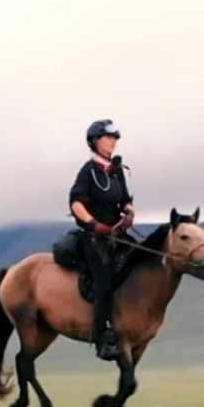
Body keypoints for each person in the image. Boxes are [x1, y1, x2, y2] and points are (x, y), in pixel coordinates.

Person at [69, 118, 136, 360]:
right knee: (103, 280)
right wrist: (94, 224)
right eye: (108, 137)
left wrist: (128, 212)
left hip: (118, 234)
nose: (113, 142)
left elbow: (126, 199)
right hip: (94, 237)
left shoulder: (117, 171)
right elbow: (76, 202)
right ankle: (103, 336)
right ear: (95, 141)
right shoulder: (88, 172)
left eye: (115, 138)